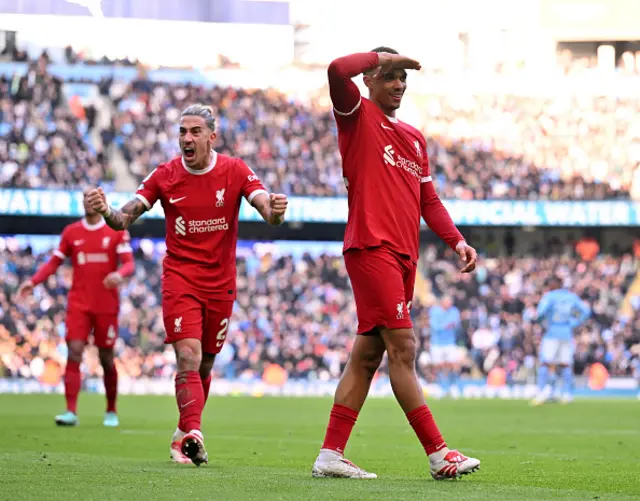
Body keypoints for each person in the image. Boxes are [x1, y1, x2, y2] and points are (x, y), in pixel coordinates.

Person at [86, 104, 288, 466]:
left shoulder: (236, 170)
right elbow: (124, 219)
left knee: (205, 365)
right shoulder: (165, 175)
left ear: (212, 137)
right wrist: (105, 210)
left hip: (221, 283)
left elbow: (268, 213)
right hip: (180, 278)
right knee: (188, 356)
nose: (187, 139)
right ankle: (195, 434)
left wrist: (276, 209)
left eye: (195, 132)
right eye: (182, 132)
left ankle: (184, 432)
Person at [311, 47, 480, 480]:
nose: (399, 84)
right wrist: (378, 56)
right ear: (369, 79)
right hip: (371, 248)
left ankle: (331, 453)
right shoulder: (355, 114)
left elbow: (429, 200)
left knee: (367, 357)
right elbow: (336, 69)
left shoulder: (414, 138)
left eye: (404, 78)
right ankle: (439, 453)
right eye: (390, 76)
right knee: (403, 348)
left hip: (405, 257)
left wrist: (456, 240)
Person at [16, 187, 135, 427]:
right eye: (86, 199)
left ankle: (111, 410)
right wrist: (34, 281)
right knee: (74, 351)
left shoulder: (116, 232)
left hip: (106, 305)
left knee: (106, 358)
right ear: (82, 203)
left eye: (94, 198)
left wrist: (119, 275)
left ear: (102, 202)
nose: (89, 202)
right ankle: (71, 411)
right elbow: (54, 262)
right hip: (79, 303)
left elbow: (129, 264)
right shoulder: (72, 232)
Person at [532, 276, 591, 406]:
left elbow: (540, 314)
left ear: (555, 284)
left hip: (552, 333)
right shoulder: (571, 297)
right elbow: (586, 311)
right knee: (565, 364)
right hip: (566, 333)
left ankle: (543, 391)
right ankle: (568, 394)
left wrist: (542, 323)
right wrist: (574, 323)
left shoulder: (549, 297)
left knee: (545, 363)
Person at [429, 296, 463, 398]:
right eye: (448, 302)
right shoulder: (434, 311)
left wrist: (443, 325)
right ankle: (440, 387)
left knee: (453, 365)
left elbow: (455, 323)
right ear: (442, 302)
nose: (449, 304)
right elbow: (435, 326)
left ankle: (453, 386)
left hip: (450, 342)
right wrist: (446, 325)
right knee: (438, 366)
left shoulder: (454, 311)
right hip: (436, 343)